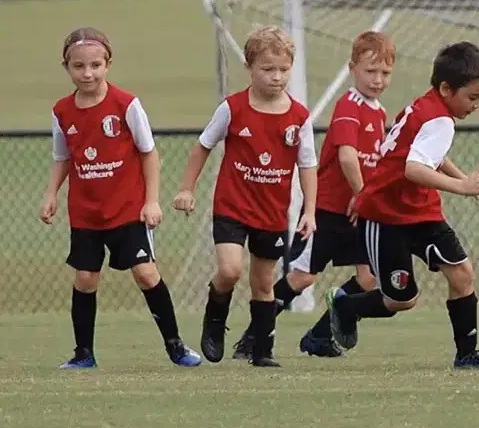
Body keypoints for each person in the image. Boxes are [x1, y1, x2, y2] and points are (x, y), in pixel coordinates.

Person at [328, 41, 479, 369]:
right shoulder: (439, 119)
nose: (477, 106)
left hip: (421, 212)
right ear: (447, 88)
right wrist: (462, 186)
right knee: (401, 300)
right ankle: (346, 306)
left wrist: (462, 176)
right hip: (384, 215)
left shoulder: (430, 106)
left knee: (462, 273)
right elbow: (413, 167)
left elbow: (430, 153)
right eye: (473, 98)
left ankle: (467, 355)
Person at [41, 28, 201, 370]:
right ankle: (83, 354)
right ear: (66, 67)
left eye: (96, 65)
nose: (88, 73)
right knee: (85, 279)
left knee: (145, 274)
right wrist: (51, 194)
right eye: (79, 66)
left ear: (108, 64)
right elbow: (62, 158)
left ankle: (175, 345)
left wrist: (152, 201)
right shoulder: (62, 111)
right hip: (85, 212)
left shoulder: (126, 105)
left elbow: (149, 153)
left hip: (127, 209)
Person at [230, 30, 394, 359]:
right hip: (330, 210)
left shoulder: (378, 112)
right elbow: (347, 157)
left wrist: (369, 199)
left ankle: (320, 337)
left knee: (368, 280)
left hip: (359, 212)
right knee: (303, 277)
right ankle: (253, 336)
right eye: (370, 71)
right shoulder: (350, 106)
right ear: (352, 69)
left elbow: (372, 162)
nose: (377, 80)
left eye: (385, 73)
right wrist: (363, 195)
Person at [174, 26, 317, 368]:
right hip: (232, 206)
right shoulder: (233, 108)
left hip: (271, 212)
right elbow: (202, 146)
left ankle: (262, 351)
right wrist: (186, 188)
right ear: (250, 68)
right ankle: (214, 322)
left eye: (283, 69)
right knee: (230, 270)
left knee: (264, 282)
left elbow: (308, 164)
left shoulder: (299, 117)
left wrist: (309, 210)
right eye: (268, 69)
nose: (277, 76)